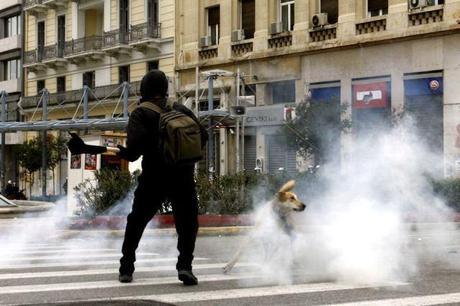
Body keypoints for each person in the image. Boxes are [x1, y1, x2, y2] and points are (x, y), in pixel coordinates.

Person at [116, 70, 206, 286]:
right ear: (165, 89)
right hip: (183, 176)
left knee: (136, 221)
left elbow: (135, 150)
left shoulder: (141, 113)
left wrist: (125, 153)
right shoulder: (180, 109)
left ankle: (126, 267)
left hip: (154, 178)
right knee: (187, 224)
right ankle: (185, 266)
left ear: (143, 90)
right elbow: (203, 135)